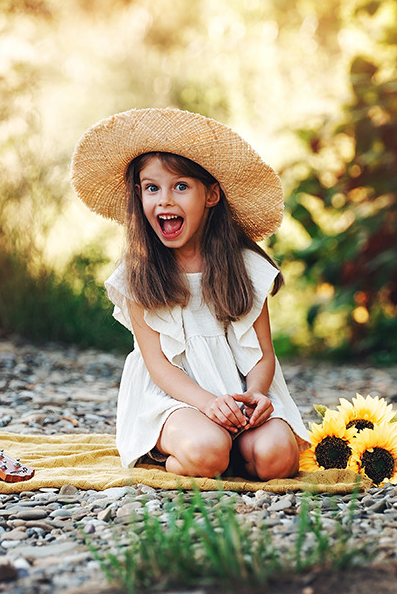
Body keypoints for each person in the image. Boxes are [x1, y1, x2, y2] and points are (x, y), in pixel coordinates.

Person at [71, 108, 309, 480]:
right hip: (175, 400)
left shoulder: (245, 267)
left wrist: (258, 395)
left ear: (211, 194)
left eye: (180, 186)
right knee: (206, 450)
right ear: (139, 194)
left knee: (277, 457)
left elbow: (263, 354)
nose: (165, 200)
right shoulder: (138, 276)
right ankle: (176, 455)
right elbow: (159, 366)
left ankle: (235, 451)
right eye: (152, 188)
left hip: (240, 396)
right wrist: (208, 404)